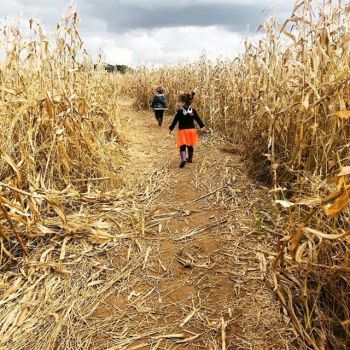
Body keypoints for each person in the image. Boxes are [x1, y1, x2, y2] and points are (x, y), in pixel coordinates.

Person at [169, 92, 206, 168]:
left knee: (182, 146)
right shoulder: (193, 111)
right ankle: (189, 158)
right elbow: (198, 119)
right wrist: (202, 126)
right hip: (191, 131)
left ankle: (183, 159)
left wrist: (170, 129)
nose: (179, 103)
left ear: (183, 102)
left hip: (182, 131)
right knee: (190, 145)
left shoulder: (179, 112)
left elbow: (175, 121)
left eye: (180, 101)